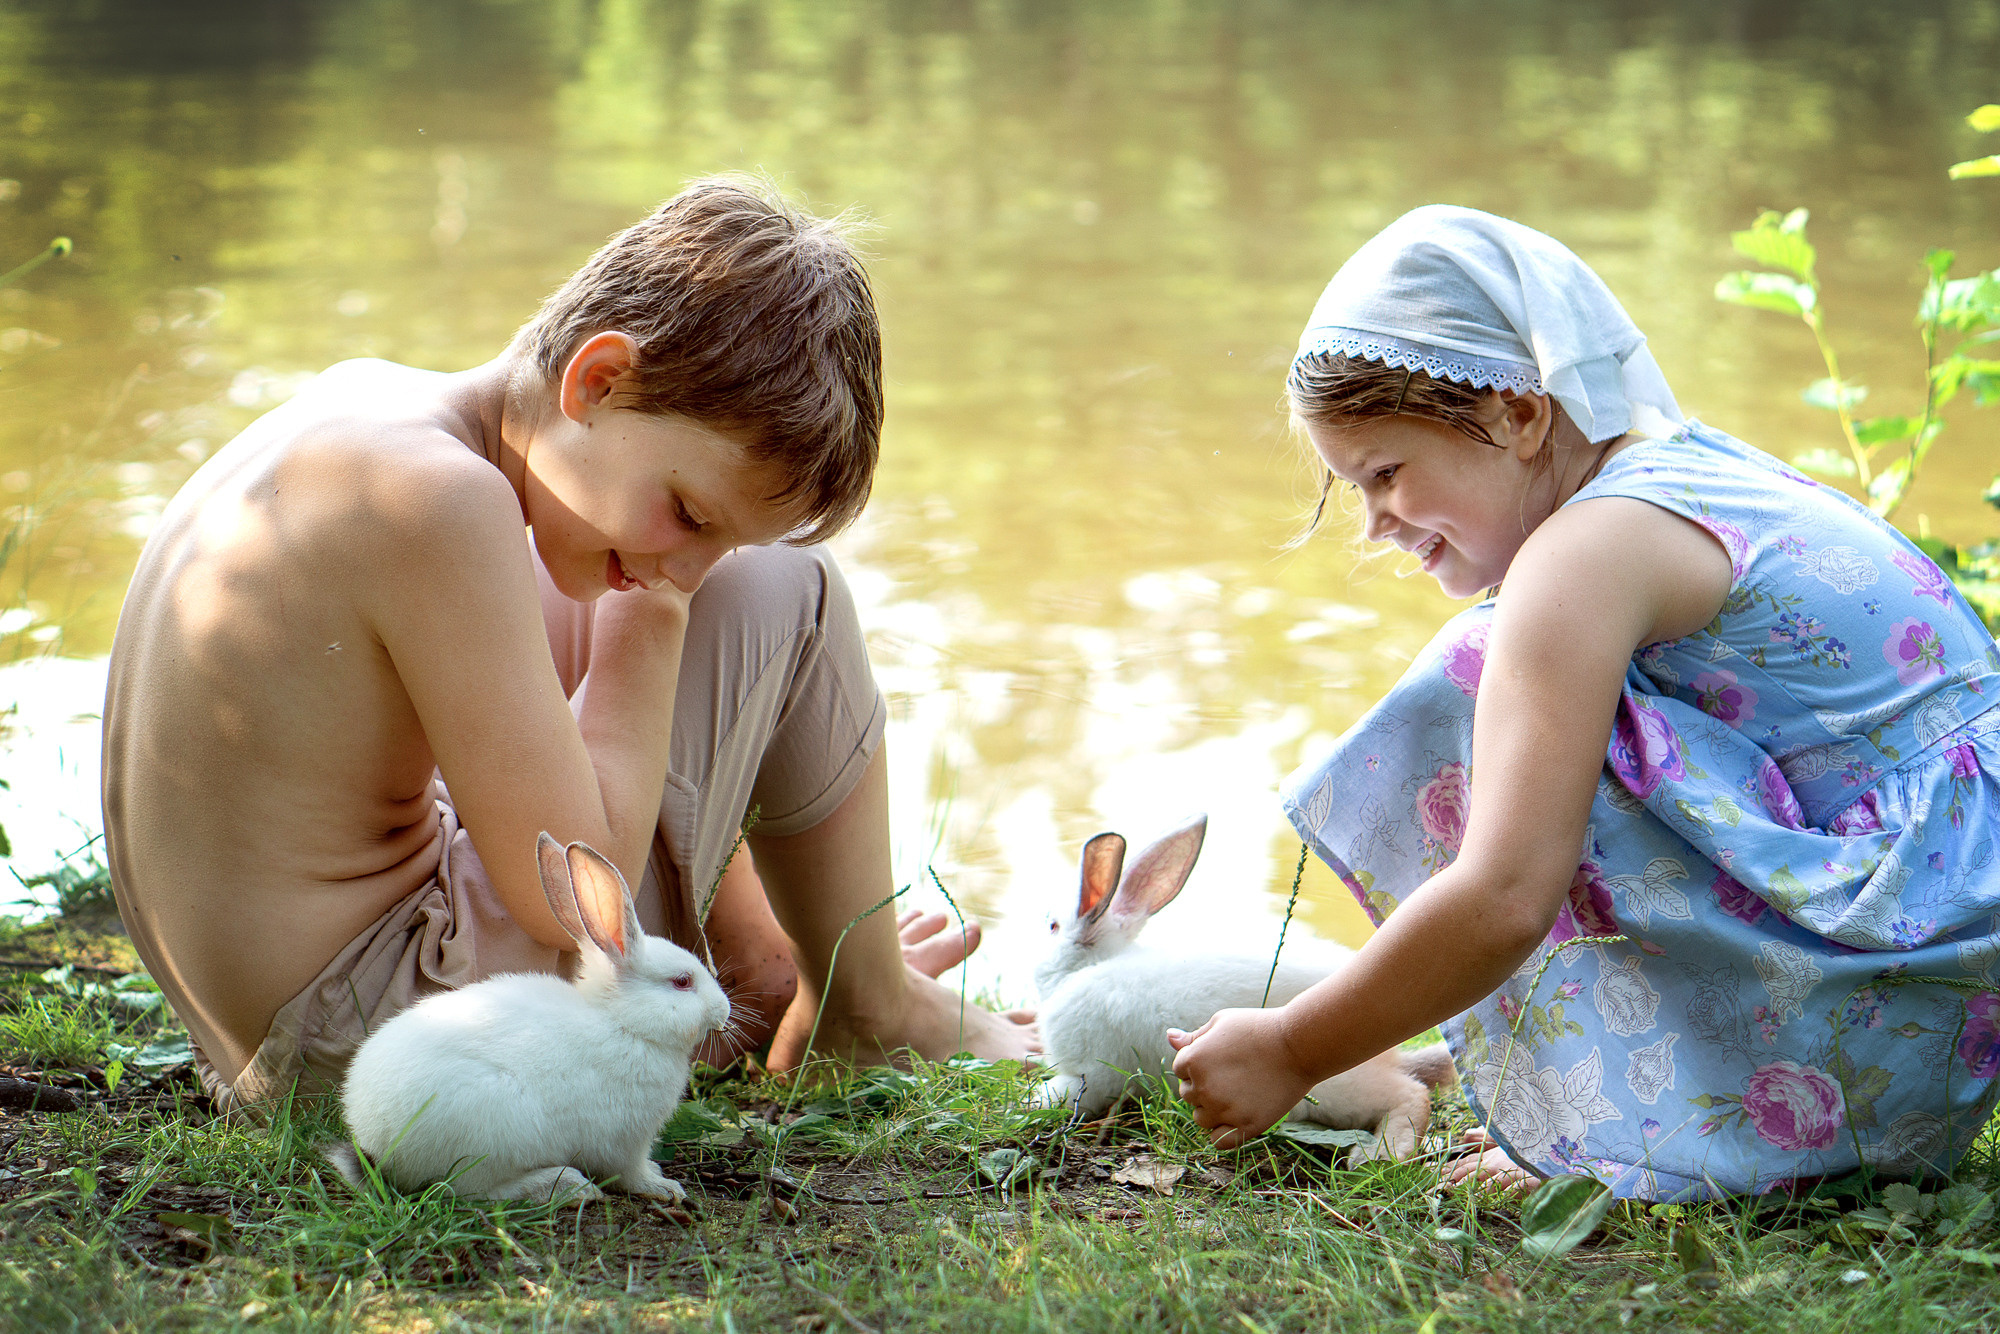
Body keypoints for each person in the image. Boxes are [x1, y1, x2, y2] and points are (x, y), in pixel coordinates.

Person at [103, 178, 1036, 1113]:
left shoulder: (374, 416)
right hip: (395, 1050)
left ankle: (762, 962)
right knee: (789, 587)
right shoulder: (443, 506)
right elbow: (574, 897)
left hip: (267, 1034)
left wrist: (668, 565)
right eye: (688, 513)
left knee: (711, 580)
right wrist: (656, 613)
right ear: (597, 381)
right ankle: (868, 1014)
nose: (690, 564)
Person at [1168, 205, 2000, 1200]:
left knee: (1480, 674)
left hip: (1896, 986)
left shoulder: (1583, 550)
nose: (1375, 523)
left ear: (1519, 414)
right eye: (1354, 488)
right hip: (1938, 974)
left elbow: (1504, 893)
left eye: (1385, 473)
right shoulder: (1679, 472)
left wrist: (1292, 1046)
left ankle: (1681, 1143)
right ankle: (1644, 1110)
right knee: (1523, 687)